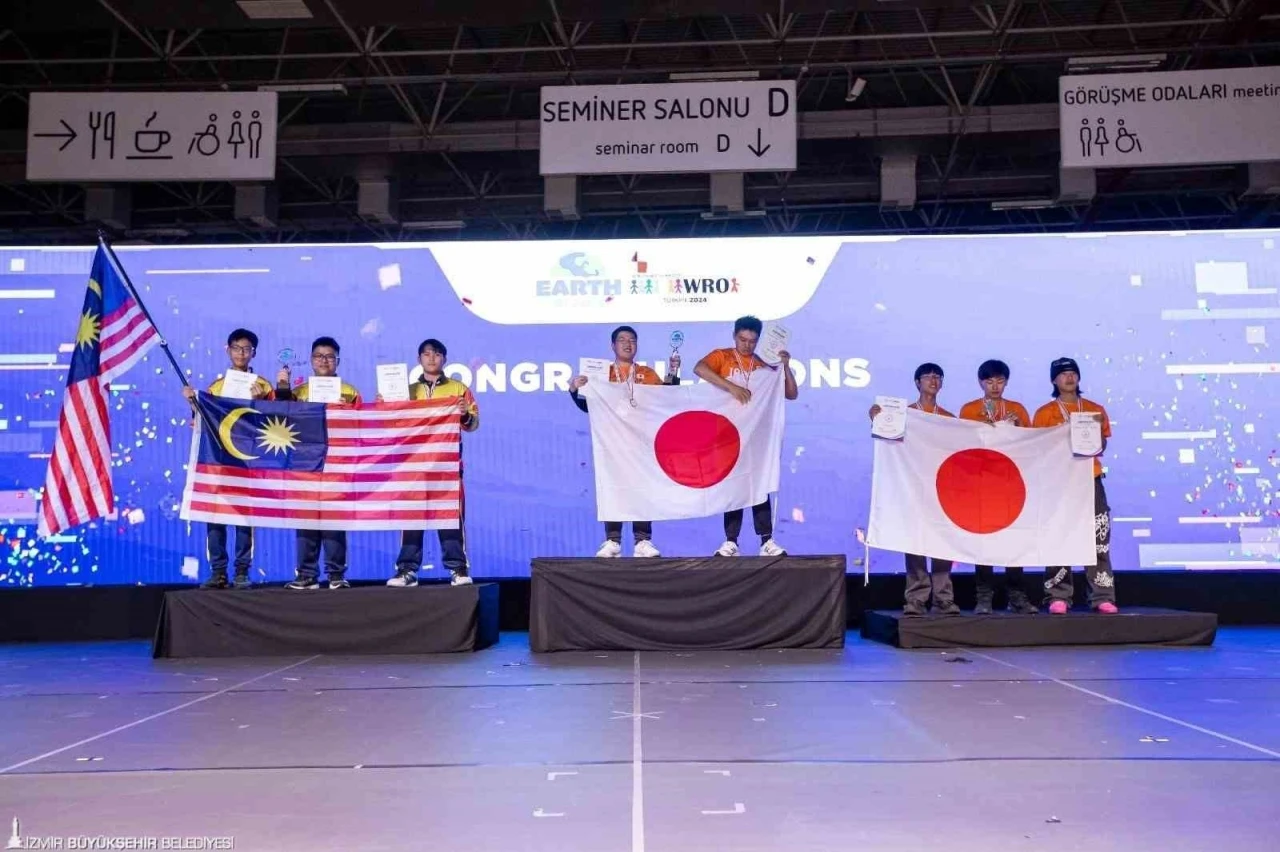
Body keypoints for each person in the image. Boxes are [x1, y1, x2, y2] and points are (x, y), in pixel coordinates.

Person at [569, 325, 681, 558]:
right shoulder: (601, 374)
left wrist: (674, 372)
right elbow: (588, 406)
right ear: (613, 345)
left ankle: (643, 541)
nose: (628, 344)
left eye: (632, 340)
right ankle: (613, 541)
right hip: (612, 442)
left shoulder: (647, 374)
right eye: (622, 340)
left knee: (643, 489)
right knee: (613, 488)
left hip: (642, 442)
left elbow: (666, 400)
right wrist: (574, 390)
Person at [693, 315, 798, 557]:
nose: (747, 345)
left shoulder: (763, 364)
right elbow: (699, 368)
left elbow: (791, 394)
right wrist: (731, 386)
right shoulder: (722, 356)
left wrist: (785, 366)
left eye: (752, 341)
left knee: (760, 485)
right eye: (742, 339)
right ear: (734, 336)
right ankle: (731, 541)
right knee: (734, 486)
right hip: (727, 434)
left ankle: (767, 541)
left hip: (756, 435)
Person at [182, 328, 274, 590]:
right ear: (228, 350)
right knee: (215, 514)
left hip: (248, 460)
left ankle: (242, 571)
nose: (241, 353)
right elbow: (202, 422)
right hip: (219, 460)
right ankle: (218, 572)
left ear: (254, 352)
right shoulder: (216, 387)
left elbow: (275, 422)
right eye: (236, 348)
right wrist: (193, 403)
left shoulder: (264, 386)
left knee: (244, 517)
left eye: (246, 349)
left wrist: (261, 402)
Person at [386, 338, 479, 587]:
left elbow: (472, 424)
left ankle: (458, 569)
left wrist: (464, 413)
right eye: (426, 354)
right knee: (411, 520)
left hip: (446, 467)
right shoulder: (406, 391)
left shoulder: (458, 389)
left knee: (450, 519)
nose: (431, 358)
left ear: (444, 359)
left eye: (437, 354)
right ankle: (406, 571)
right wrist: (386, 406)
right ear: (419, 359)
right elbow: (393, 423)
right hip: (413, 466)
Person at [868, 363, 960, 616]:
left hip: (941, 488)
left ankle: (943, 598)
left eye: (937, 377)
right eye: (927, 377)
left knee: (942, 543)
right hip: (912, 486)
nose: (933, 381)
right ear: (917, 383)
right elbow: (888, 440)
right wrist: (877, 419)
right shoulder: (903, 414)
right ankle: (916, 598)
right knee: (915, 541)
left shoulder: (949, 419)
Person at [1032, 357, 1119, 614]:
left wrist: (1091, 439)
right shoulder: (1044, 413)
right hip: (1059, 481)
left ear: (1078, 377)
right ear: (1054, 380)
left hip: (1090, 478)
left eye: (1073, 373)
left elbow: (1103, 444)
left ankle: (1102, 596)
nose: (1069, 377)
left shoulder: (1094, 409)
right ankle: (1057, 595)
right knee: (1058, 534)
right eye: (1063, 374)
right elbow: (1039, 447)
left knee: (1098, 536)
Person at [275, 336, 362, 590]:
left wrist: (347, 413)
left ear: (338, 361)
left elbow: (361, 425)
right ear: (311, 360)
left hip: (337, 463)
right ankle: (306, 575)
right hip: (305, 463)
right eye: (319, 356)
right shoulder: (299, 392)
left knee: (334, 520)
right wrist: (282, 389)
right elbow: (281, 419)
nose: (324, 361)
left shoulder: (350, 392)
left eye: (329, 356)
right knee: (306, 520)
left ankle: (336, 574)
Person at [957, 359, 1038, 614]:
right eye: (989, 381)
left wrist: (1018, 428)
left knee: (1014, 541)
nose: (995, 386)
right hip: (981, 486)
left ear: (1006, 382)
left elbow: (1031, 444)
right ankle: (984, 598)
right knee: (984, 544)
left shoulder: (1017, 409)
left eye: (1000, 381)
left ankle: (1017, 596)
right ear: (980, 382)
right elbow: (960, 444)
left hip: (1010, 485)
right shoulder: (969, 409)